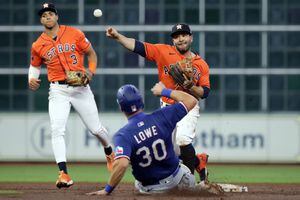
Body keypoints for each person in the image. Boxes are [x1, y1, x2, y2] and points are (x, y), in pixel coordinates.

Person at [106, 23, 210, 181]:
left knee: (182, 139)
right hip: (167, 106)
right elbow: (137, 46)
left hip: (188, 106)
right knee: (173, 151)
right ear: (173, 40)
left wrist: (191, 86)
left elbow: (204, 93)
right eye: (176, 36)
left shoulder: (201, 64)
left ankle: (189, 184)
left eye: (184, 35)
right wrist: (118, 37)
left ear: (191, 37)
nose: (180, 39)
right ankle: (198, 161)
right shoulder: (163, 51)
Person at [28, 2, 114, 189]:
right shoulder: (38, 44)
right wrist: (32, 78)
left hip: (80, 88)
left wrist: (91, 72)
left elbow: (92, 54)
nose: (47, 17)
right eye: (43, 15)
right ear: (41, 20)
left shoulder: (75, 33)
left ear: (57, 16)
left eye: (50, 13)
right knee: (57, 129)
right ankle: (63, 173)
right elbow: (35, 65)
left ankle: (109, 150)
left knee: (96, 129)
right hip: (57, 90)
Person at [87, 83, 198, 195]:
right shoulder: (162, 116)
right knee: (181, 164)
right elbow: (191, 100)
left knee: (137, 181)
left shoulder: (122, 135)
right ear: (141, 102)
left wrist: (107, 190)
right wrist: (164, 91)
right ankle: (201, 176)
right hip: (177, 181)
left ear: (121, 108)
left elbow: (122, 164)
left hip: (151, 190)